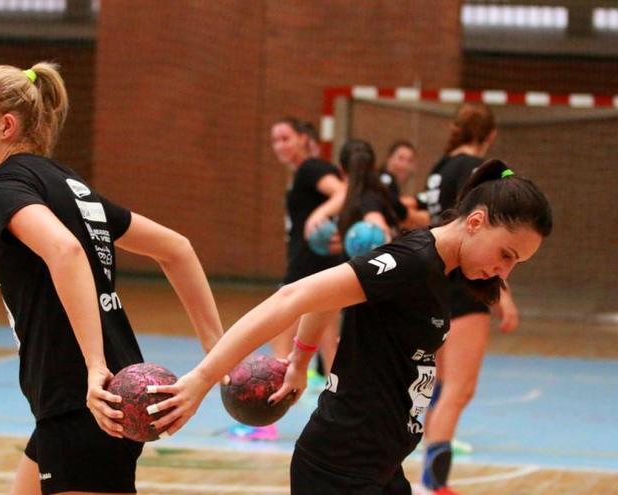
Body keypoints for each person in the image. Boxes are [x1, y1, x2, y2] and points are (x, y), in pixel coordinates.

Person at [147, 158, 553, 495]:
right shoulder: (411, 262)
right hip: (339, 469)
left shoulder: (441, 270)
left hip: (380, 467)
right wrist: (202, 378)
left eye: (515, 263)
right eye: (506, 254)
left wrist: (302, 361)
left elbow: (333, 294)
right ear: (477, 221)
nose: (505, 270)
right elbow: (292, 297)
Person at [0, 62, 223, 495]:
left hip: (85, 401)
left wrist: (94, 367)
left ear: (5, 126)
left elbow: (66, 250)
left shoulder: (4, 187)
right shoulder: (68, 183)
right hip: (86, 401)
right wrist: (217, 348)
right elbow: (178, 249)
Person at [420, 103, 519, 494]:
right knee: (460, 388)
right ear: (490, 135)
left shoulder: (438, 169)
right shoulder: (476, 172)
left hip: (436, 282)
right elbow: (488, 239)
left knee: (442, 383)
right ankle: (435, 481)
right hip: (466, 284)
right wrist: (503, 297)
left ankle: (430, 469)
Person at [234, 118, 345, 441]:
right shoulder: (303, 172)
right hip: (324, 269)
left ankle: (265, 422)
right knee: (330, 349)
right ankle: (341, 423)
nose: (280, 145)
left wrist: (318, 216)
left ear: (303, 138)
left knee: (282, 350)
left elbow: (343, 191)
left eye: (285, 138)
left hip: (306, 271)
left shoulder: (311, 167)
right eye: (275, 140)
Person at [336, 139, 398, 244]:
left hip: (364, 260)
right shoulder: (379, 192)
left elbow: (381, 230)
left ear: (341, 169)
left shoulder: (367, 198)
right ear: (374, 166)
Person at [379, 140, 429, 228]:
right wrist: (420, 217)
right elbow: (393, 205)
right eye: (400, 158)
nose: (404, 165)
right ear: (389, 158)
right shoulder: (384, 179)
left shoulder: (391, 185)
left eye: (410, 161)